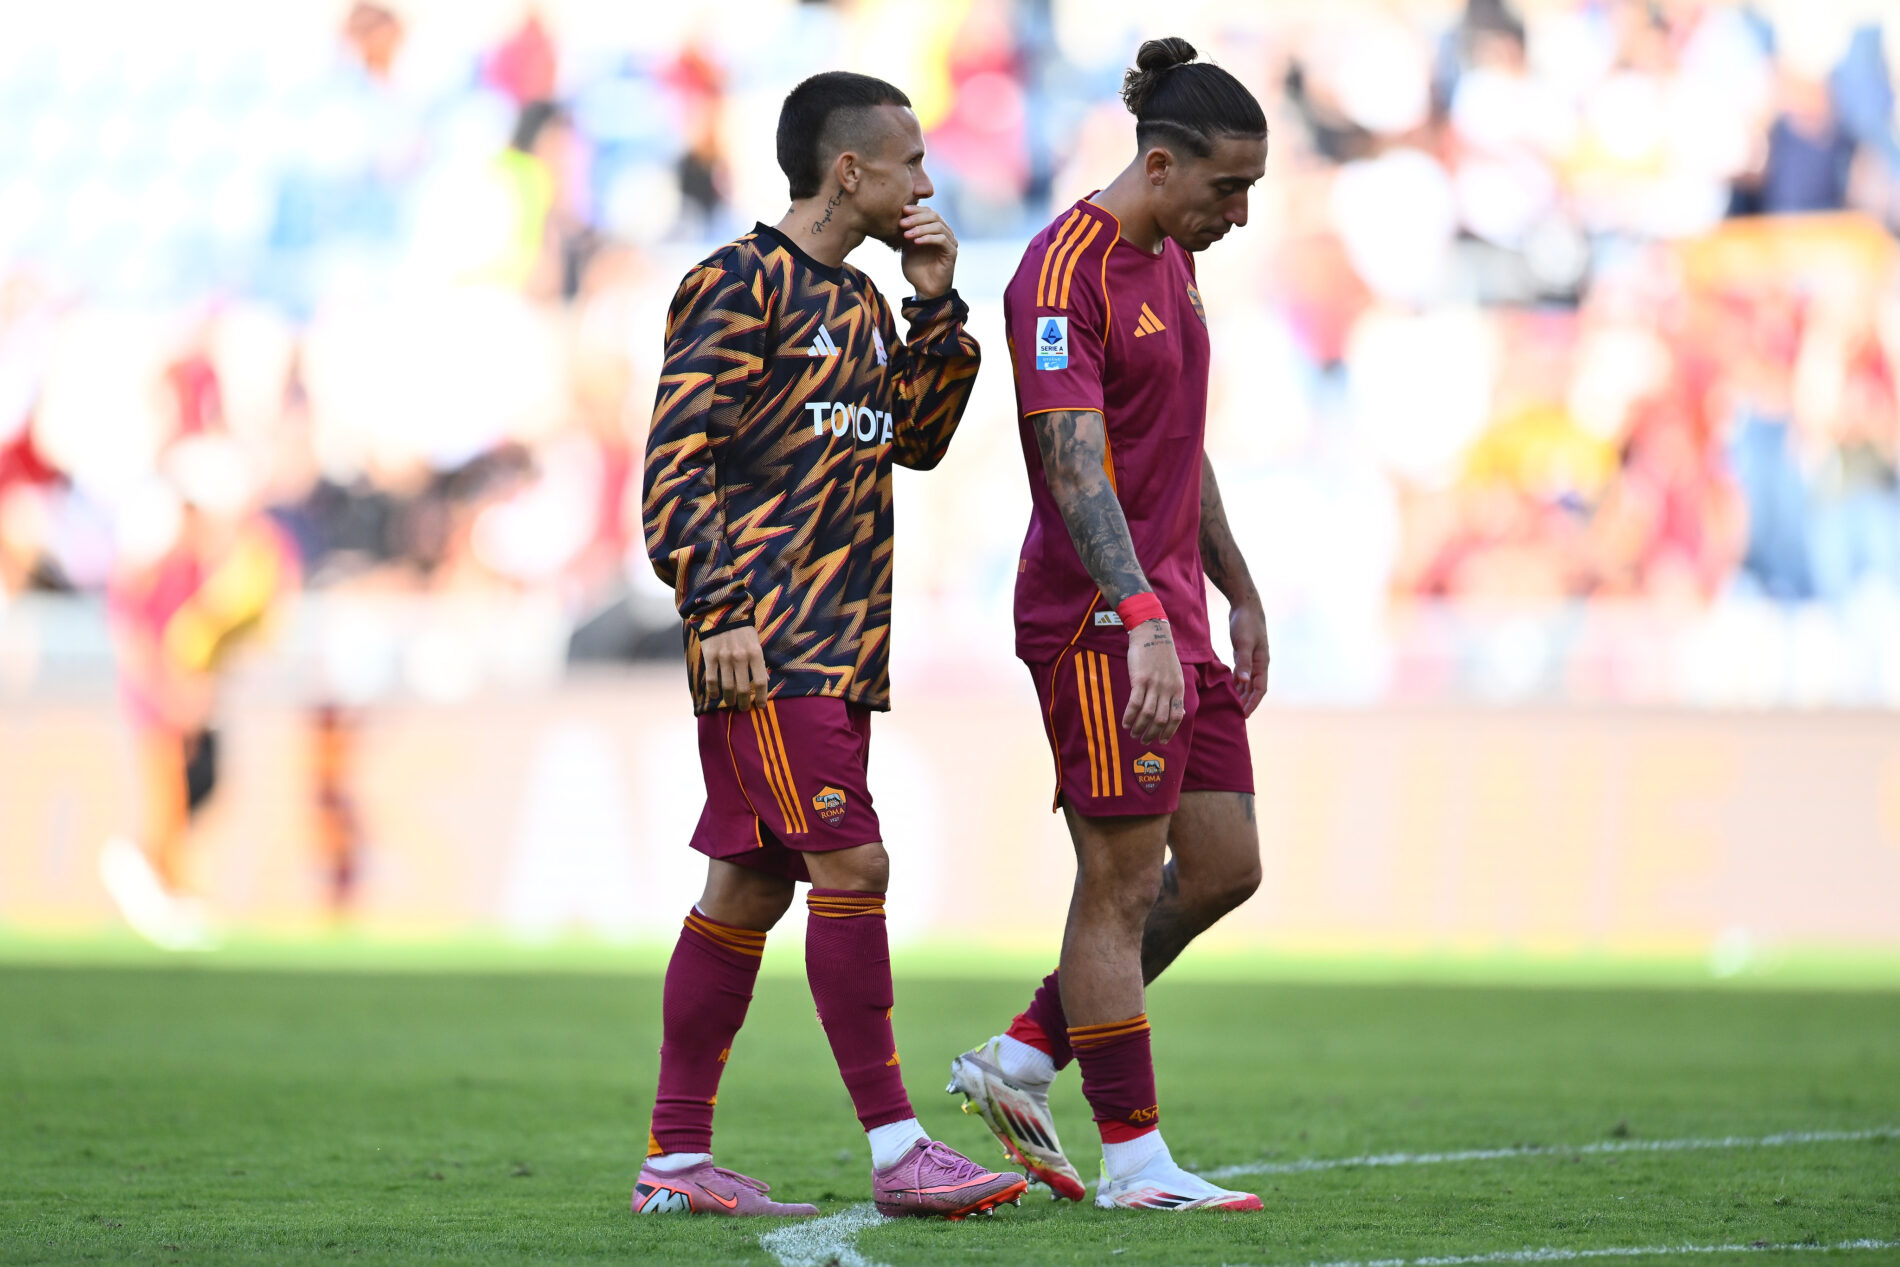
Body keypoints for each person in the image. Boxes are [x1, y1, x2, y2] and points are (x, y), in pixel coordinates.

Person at [633, 71, 1025, 1220]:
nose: (926, 182)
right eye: (911, 162)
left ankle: (676, 1160)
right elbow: (674, 460)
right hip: (766, 643)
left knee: (747, 889)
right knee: (855, 866)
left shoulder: (859, 302)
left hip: (839, 648)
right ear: (848, 170)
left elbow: (916, 440)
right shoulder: (736, 282)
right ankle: (900, 1147)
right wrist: (718, 608)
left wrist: (936, 308)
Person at [946, 38, 1273, 1212]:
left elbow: (1176, 441)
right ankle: (1135, 1161)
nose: (1239, 214)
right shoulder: (1060, 273)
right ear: (1159, 164)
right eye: (1227, 189)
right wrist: (1139, 614)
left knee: (1224, 866)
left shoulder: (1174, 258)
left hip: (1173, 608)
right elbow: (1073, 468)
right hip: (1099, 616)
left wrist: (1236, 586)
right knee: (1121, 880)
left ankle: (1025, 1053)